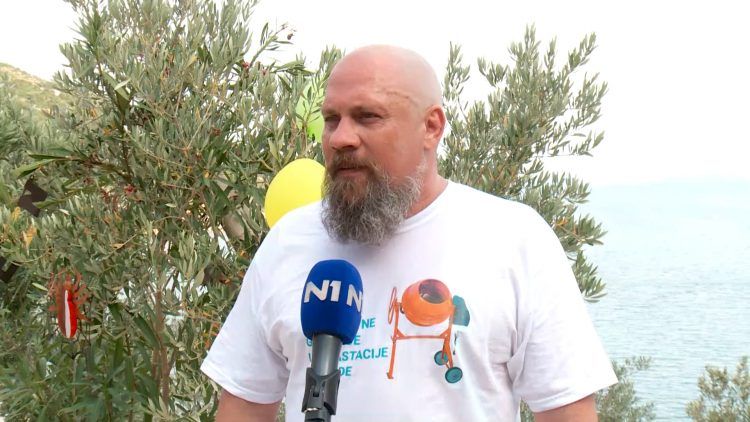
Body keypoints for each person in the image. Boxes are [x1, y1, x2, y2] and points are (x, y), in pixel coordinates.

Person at [201, 45, 617, 422]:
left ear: (431, 127)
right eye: (331, 120)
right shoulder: (287, 242)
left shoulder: (514, 239)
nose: (341, 138)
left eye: (368, 117)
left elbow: (567, 411)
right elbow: (243, 406)